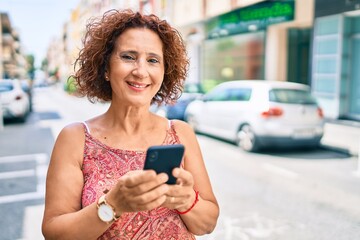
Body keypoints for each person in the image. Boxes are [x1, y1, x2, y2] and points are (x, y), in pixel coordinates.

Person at [42, 9, 219, 240]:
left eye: (153, 60)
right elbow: (55, 233)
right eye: (128, 57)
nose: (141, 71)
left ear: (164, 72)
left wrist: (186, 200)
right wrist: (113, 204)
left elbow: (207, 224)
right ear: (106, 68)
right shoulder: (75, 138)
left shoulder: (180, 132)